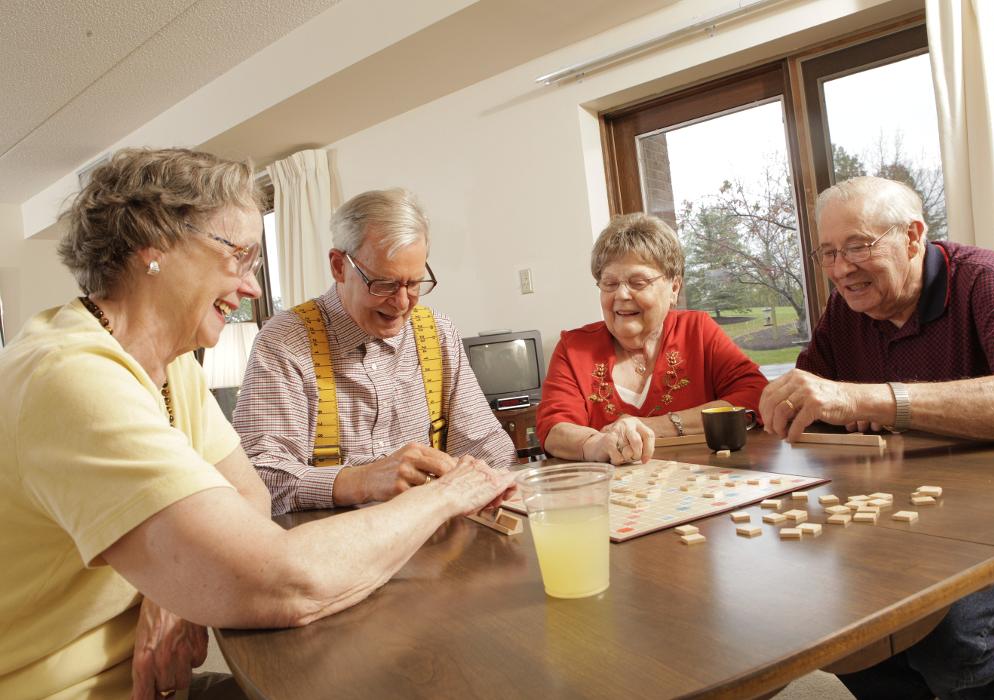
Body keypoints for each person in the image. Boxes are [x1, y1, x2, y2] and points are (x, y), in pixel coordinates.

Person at [0, 149, 515, 699]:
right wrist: (446, 494)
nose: (251, 288)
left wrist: (180, 580)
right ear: (156, 250)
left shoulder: (172, 366)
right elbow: (283, 581)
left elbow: (248, 496)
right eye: (240, 257)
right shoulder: (72, 376)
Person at [759, 176, 994, 699]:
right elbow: (818, 400)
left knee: (942, 624)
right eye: (828, 253)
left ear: (914, 236)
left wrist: (876, 400)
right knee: (835, 618)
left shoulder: (986, 279)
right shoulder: (845, 312)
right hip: (915, 512)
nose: (841, 269)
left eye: (858, 246)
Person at [233, 188, 516, 516]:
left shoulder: (438, 333)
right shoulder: (284, 343)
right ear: (339, 266)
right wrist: (363, 480)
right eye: (383, 284)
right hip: (331, 549)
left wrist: (500, 480)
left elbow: (483, 441)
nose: (401, 304)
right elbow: (258, 476)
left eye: (413, 284)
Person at [536, 212, 768, 465]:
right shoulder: (574, 348)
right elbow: (553, 428)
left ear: (674, 288)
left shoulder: (697, 331)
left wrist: (652, 427)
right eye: (609, 283)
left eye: (638, 282)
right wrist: (598, 444)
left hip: (699, 484)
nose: (622, 294)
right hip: (615, 496)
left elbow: (753, 395)